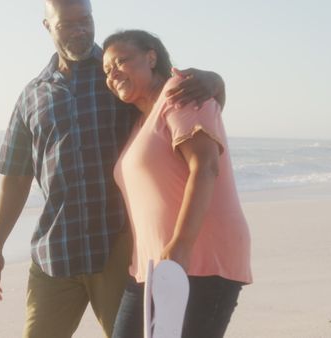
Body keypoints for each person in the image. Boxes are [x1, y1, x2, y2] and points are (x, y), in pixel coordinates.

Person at [0, 1, 226, 337]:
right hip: (56, 250)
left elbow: (175, 100)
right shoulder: (32, 95)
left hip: (118, 247)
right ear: (47, 26)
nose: (80, 30)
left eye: (86, 21)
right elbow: (15, 176)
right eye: (68, 24)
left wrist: (214, 80)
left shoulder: (120, 73)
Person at [102, 30, 252, 338]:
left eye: (121, 61)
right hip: (152, 267)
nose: (113, 73)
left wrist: (181, 245)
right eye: (106, 70)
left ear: (151, 57)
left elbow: (206, 166)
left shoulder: (180, 92)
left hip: (199, 259)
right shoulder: (140, 123)